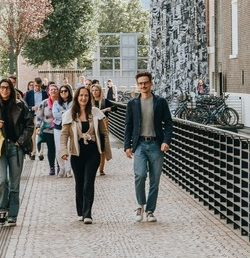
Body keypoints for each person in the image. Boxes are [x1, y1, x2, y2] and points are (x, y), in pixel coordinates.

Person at [0, 77, 34, 226]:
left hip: (16, 147)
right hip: (0, 147)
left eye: (7, 88)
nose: (4, 90)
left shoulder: (20, 105)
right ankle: (2, 208)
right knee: (2, 180)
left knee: (15, 184)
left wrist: (20, 141)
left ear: (11, 89)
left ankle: (13, 214)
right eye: (2, 87)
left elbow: (30, 125)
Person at [123, 70, 173, 223]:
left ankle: (150, 210)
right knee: (139, 175)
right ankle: (140, 205)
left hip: (156, 144)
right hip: (139, 144)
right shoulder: (132, 103)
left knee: (154, 180)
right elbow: (128, 125)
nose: (143, 85)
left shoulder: (160, 102)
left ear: (151, 83)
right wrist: (127, 146)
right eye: (140, 83)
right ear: (137, 85)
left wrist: (166, 141)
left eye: (145, 83)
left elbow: (168, 123)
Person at [60, 84, 111, 223]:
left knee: (89, 182)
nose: (83, 98)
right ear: (77, 97)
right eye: (81, 95)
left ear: (89, 97)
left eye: (86, 95)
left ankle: (88, 213)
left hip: (93, 153)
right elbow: (64, 135)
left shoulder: (95, 112)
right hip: (77, 153)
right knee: (79, 182)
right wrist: (64, 151)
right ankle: (80, 210)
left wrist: (106, 152)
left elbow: (104, 133)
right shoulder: (70, 114)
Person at [90, 82, 113, 176]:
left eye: (96, 90)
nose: (94, 92)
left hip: (103, 124)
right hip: (92, 125)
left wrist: (107, 109)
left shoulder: (104, 101)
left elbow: (115, 108)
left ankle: (101, 168)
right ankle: (93, 167)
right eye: (93, 90)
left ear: (100, 91)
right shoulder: (90, 101)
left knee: (102, 146)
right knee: (94, 146)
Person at [34, 89, 57, 175]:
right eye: (51, 90)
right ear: (49, 92)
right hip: (48, 129)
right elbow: (39, 116)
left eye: (55, 90)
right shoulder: (44, 103)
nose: (53, 91)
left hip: (59, 129)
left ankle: (60, 166)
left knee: (59, 148)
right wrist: (38, 126)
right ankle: (52, 167)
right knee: (51, 148)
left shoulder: (60, 102)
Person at [52, 84, 72, 179]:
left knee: (69, 148)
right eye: (61, 91)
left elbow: (73, 114)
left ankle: (68, 169)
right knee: (59, 149)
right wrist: (66, 113)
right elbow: (55, 115)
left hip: (70, 127)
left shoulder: (73, 102)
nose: (63, 93)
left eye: (65, 91)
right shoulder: (56, 103)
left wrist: (63, 113)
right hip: (58, 127)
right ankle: (62, 168)